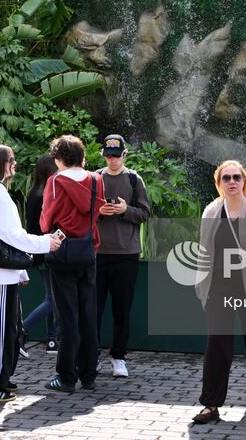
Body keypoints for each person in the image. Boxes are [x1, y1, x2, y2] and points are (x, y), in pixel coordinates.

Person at [192, 160, 246, 425]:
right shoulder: (211, 211)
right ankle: (211, 403)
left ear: (244, 181)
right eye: (226, 178)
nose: (232, 182)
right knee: (217, 342)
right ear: (218, 183)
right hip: (219, 286)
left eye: (237, 177)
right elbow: (203, 251)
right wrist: (201, 285)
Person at [0, 144, 60, 403]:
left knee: (9, 327)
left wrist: (19, 269)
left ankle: (1, 379)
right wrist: (45, 243)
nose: (15, 164)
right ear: (0, 164)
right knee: (0, 329)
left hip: (1, 270)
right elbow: (11, 235)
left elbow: (0, 235)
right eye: (11, 160)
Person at [39, 134, 106, 393]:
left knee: (66, 317)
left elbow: (46, 220)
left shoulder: (55, 181)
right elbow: (96, 211)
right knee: (88, 314)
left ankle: (66, 377)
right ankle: (89, 374)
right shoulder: (96, 179)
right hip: (88, 251)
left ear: (59, 157)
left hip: (62, 252)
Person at [94, 134, 150, 379]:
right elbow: (84, 213)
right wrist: (100, 211)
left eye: (116, 156)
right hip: (97, 253)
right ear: (103, 155)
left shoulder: (134, 179)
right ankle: (91, 355)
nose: (112, 160)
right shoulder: (94, 178)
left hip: (126, 253)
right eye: (108, 156)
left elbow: (145, 213)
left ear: (125, 155)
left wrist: (125, 210)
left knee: (121, 309)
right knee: (92, 309)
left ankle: (119, 357)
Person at [21, 154, 60, 353]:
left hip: (40, 250)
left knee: (50, 295)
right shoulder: (45, 194)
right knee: (53, 299)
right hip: (45, 250)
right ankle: (22, 328)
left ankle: (52, 339)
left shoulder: (34, 192)